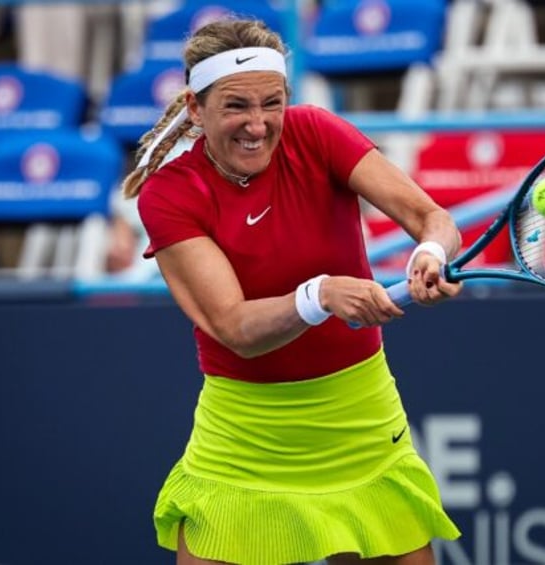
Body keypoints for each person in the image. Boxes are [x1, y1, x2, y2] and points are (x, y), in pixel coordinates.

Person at [122, 17, 463, 565]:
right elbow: (236, 329)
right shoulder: (169, 195)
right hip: (244, 433)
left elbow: (430, 217)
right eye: (236, 106)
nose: (257, 125)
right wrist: (321, 294)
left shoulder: (317, 132)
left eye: (271, 103)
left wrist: (431, 253)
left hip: (360, 417)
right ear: (194, 108)